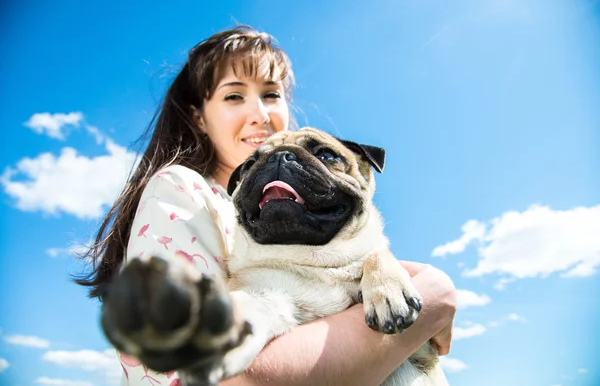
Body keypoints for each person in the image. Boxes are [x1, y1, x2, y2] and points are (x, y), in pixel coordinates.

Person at [76, 25, 457, 386]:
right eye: (234, 95)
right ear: (198, 117)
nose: (259, 114)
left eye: (271, 94)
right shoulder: (183, 193)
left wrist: (385, 268)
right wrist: (432, 301)